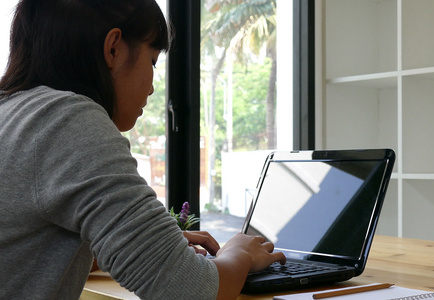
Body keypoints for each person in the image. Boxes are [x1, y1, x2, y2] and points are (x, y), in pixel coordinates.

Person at [0, 0, 285, 299]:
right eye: (151, 61)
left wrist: (144, 246)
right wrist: (239, 253)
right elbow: (189, 291)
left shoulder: (12, 111)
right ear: (113, 48)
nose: (151, 87)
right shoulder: (65, 121)